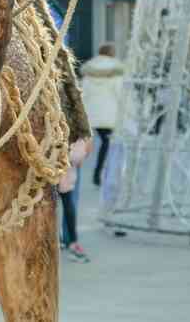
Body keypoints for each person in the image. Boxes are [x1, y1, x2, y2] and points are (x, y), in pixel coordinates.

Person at [80, 43, 124, 186]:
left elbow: (82, 95)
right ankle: (100, 174)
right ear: (112, 54)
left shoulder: (89, 71)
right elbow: (121, 95)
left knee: (87, 144)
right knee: (107, 144)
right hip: (109, 116)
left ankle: (78, 173)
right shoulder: (116, 72)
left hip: (91, 116)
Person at [59, 137, 92, 263]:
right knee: (63, 206)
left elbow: (82, 153)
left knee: (67, 206)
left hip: (66, 175)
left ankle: (70, 241)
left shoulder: (79, 128)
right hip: (60, 173)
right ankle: (68, 241)